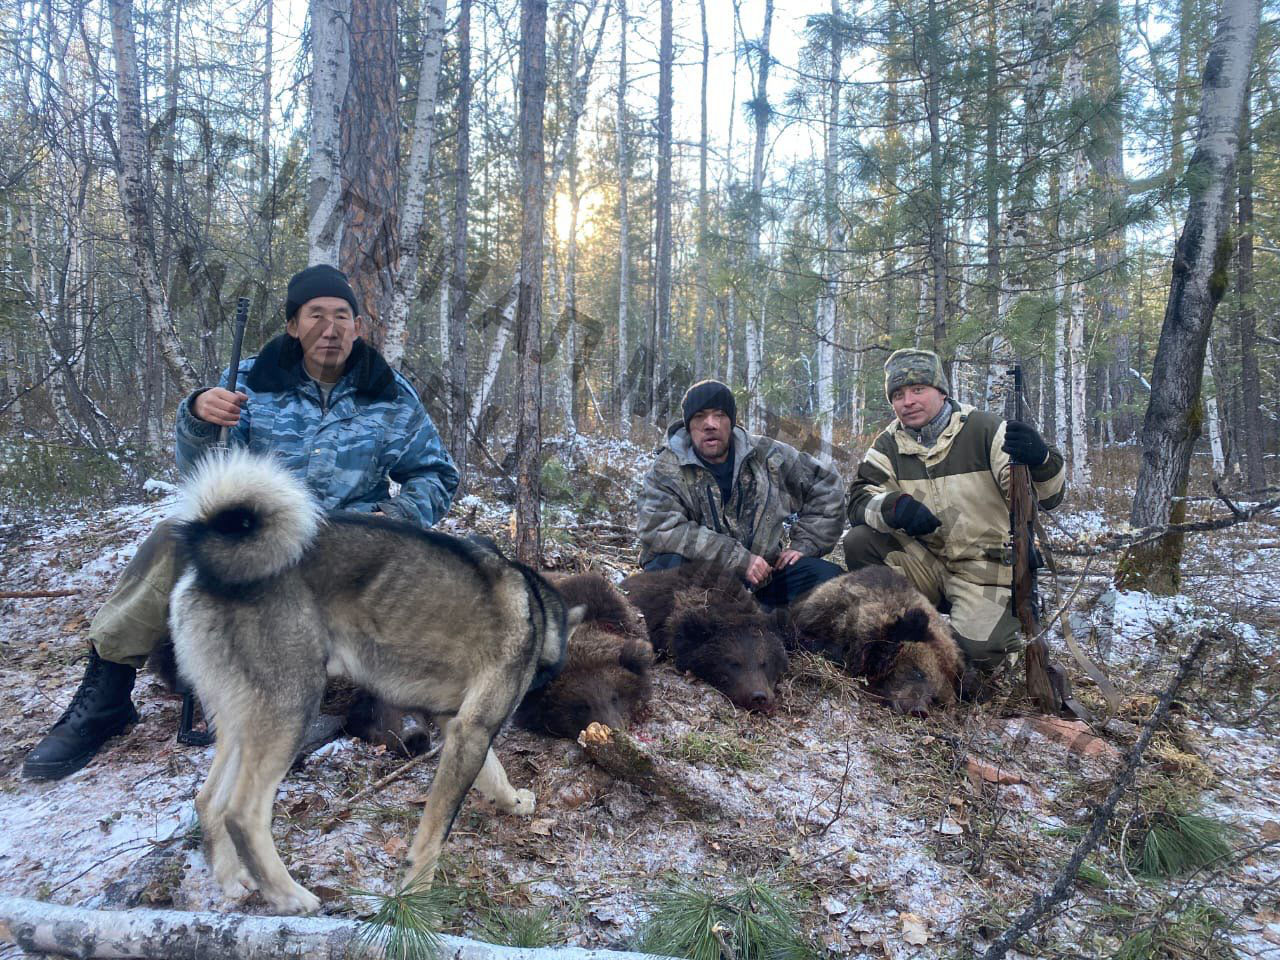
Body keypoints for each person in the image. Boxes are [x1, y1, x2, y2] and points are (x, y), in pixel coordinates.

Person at [23, 264, 460, 780]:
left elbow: (436, 474)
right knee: (175, 535)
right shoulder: (250, 381)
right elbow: (201, 473)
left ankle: (375, 697)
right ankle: (108, 695)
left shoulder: (390, 393)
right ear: (293, 326)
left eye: (343, 316)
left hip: (352, 550)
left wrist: (399, 517)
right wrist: (196, 419)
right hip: (264, 540)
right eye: (316, 315)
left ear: (358, 328)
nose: (331, 327)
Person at [843, 348, 1065, 675]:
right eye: (899, 394)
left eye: (918, 390)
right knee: (859, 542)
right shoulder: (888, 444)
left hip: (985, 568)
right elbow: (859, 499)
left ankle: (989, 635)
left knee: (975, 657)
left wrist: (1041, 461)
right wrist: (894, 507)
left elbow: (1047, 499)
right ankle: (899, 631)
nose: (908, 402)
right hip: (928, 564)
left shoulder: (987, 430)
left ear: (942, 391)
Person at [636, 379, 845, 608]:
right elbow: (659, 527)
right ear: (688, 425)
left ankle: (767, 623)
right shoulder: (667, 468)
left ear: (732, 422)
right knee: (665, 568)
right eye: (699, 417)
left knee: (831, 580)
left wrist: (806, 544)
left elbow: (826, 484)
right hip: (703, 584)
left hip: (765, 578)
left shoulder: (767, 456)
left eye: (719, 415)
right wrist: (739, 559)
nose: (710, 424)